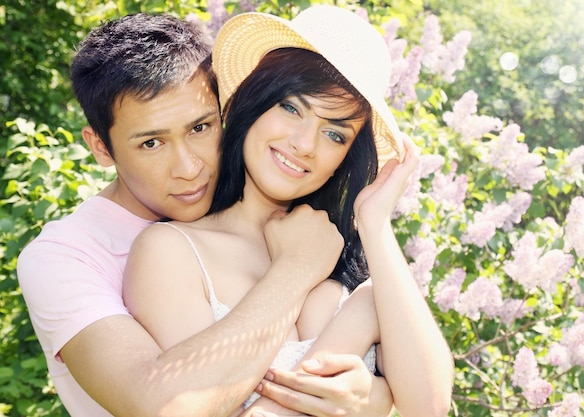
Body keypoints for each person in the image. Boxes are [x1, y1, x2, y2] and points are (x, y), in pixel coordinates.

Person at [17, 13, 393, 417]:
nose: (189, 168)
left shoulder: (256, 203)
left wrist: (375, 397)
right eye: (151, 143)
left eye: (200, 128)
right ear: (101, 147)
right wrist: (297, 269)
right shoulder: (64, 256)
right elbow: (162, 405)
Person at [123, 6, 454, 417]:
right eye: (292, 108)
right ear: (253, 101)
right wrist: (351, 326)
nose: (305, 144)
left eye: (334, 133)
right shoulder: (171, 251)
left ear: (346, 156)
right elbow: (188, 409)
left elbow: (430, 407)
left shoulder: (356, 275)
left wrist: (375, 224)